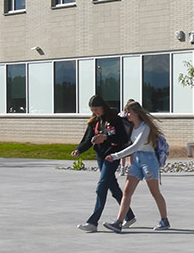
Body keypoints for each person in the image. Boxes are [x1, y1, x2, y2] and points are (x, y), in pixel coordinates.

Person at [103, 101, 170, 232]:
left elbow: (135, 146)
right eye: (126, 112)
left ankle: (164, 220)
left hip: (149, 160)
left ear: (136, 113)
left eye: (129, 112)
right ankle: (118, 222)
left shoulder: (145, 127)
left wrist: (115, 156)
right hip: (137, 160)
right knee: (127, 191)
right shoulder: (132, 127)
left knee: (155, 192)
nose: (127, 114)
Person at [72, 96, 135, 232]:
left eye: (96, 109)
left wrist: (106, 137)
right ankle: (129, 216)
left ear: (103, 106)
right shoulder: (94, 121)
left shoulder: (114, 119)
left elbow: (122, 138)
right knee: (112, 186)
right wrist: (78, 150)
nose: (95, 112)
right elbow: (88, 139)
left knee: (101, 187)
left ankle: (93, 222)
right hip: (100, 156)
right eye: (92, 110)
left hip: (112, 156)